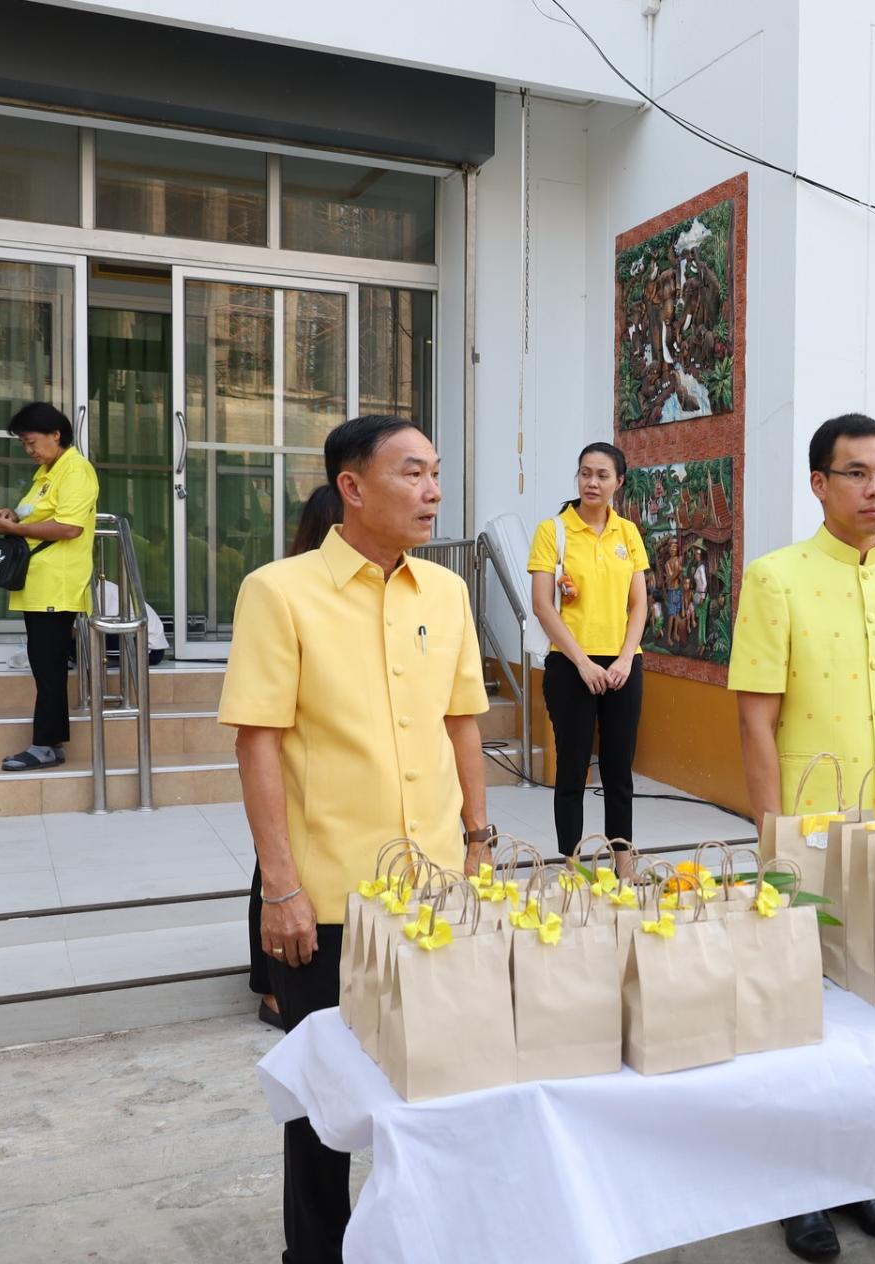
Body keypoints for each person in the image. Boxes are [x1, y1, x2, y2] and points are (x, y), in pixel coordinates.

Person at [220, 414, 492, 1260]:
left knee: (443, 1086)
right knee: (322, 1109)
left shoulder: (444, 592)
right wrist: (281, 888)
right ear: (352, 487)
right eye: (412, 473)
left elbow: (463, 724)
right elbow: (257, 743)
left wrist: (478, 843)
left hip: (436, 891)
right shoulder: (279, 592)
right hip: (331, 900)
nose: (433, 491)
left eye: (436, 472)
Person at [730, 412, 875, 1262]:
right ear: (819, 483)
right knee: (804, 1014)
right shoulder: (775, 579)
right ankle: (799, 1189)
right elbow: (756, 720)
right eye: (857, 473)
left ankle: (864, 1174)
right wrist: (774, 839)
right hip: (808, 836)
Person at [247, 483, 348, 1032]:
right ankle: (272, 981)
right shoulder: (283, 592)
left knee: (269, 869)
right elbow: (255, 734)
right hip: (299, 777)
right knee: (275, 871)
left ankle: (268, 982)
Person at [528, 442, 650, 857]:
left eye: (601, 475)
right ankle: (572, 866)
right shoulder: (553, 531)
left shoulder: (628, 533)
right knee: (572, 770)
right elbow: (543, 605)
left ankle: (623, 863)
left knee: (619, 772)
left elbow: (639, 605)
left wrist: (624, 659)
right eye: (585, 473)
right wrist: (582, 663)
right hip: (569, 664)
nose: (591, 482)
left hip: (622, 666)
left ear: (619, 482)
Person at [0, 402, 98, 773]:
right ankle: (50, 743)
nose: (28, 450)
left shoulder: (76, 470)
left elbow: (69, 527)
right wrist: (10, 516)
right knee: (44, 665)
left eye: (31, 442)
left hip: (57, 585)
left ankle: (45, 745)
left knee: (48, 667)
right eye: (23, 444)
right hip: (38, 584)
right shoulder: (46, 473)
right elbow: (37, 515)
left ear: (55, 435)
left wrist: (15, 529)